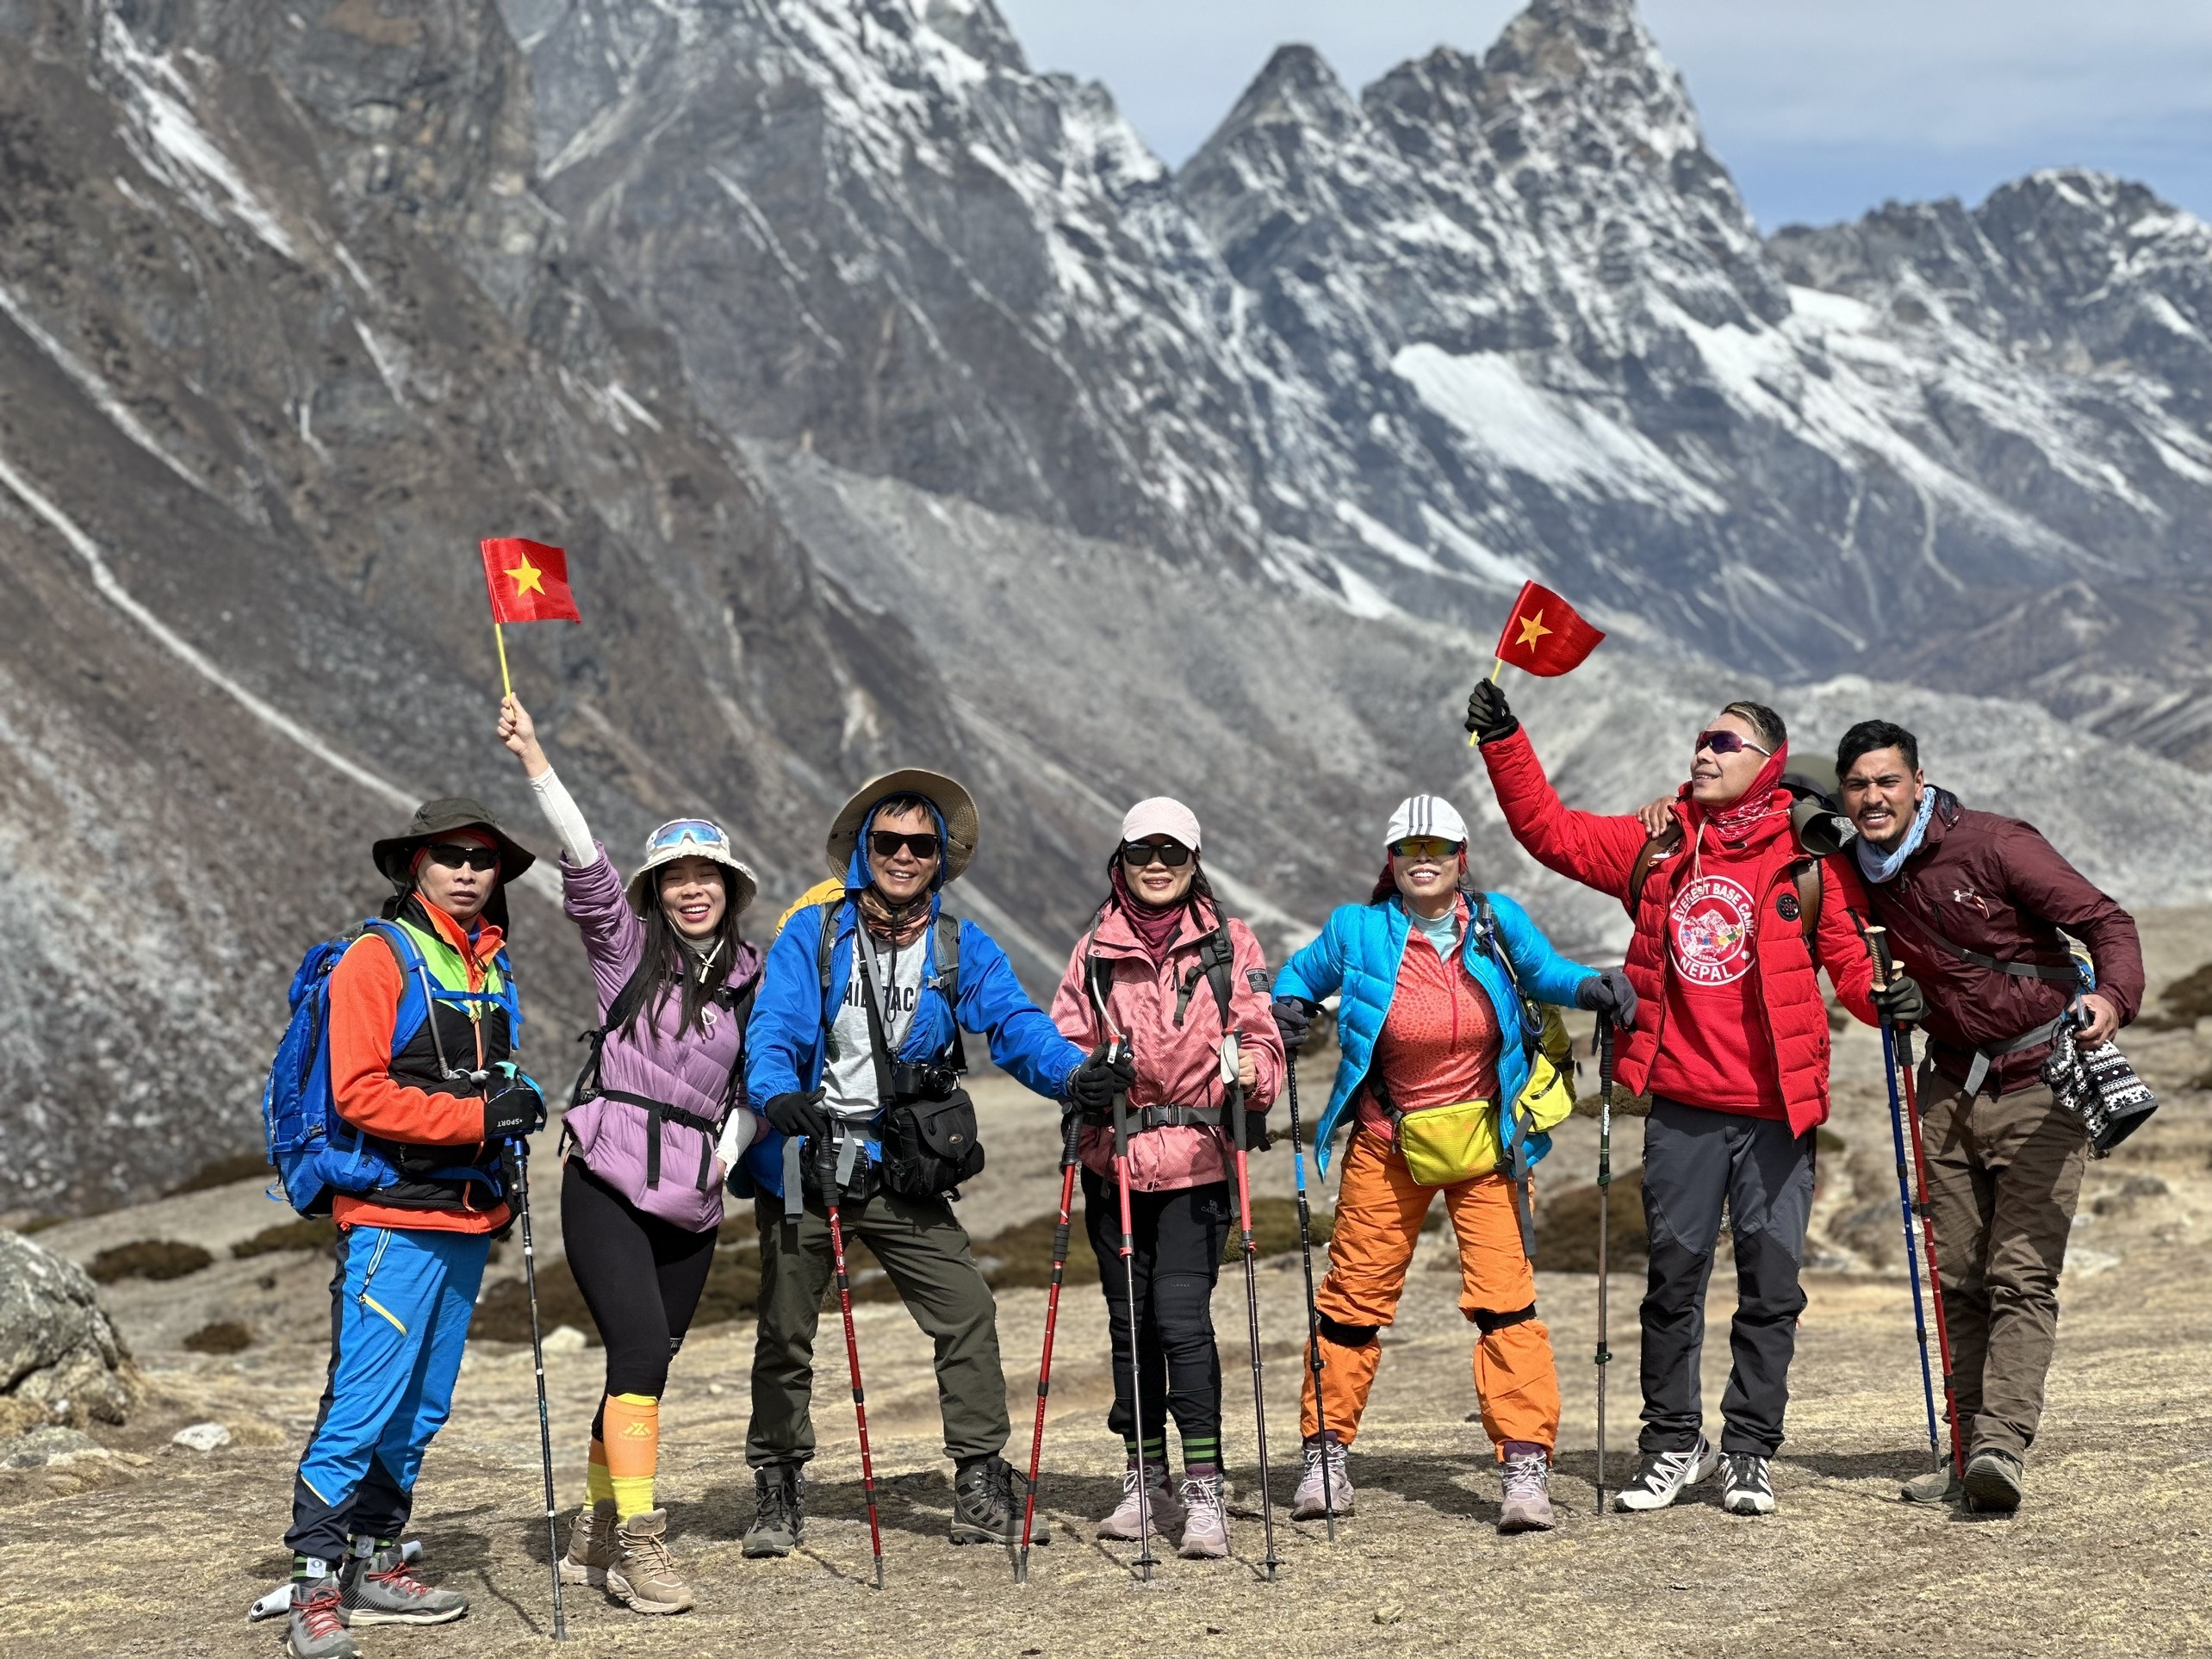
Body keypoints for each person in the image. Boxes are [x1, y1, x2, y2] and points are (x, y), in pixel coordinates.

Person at [1466, 682, 1877, 1517]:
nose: (1703, 751)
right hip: (1684, 1109)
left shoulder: (1808, 860)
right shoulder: (1658, 844)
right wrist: (1504, 739)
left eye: (1724, 743)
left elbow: (1855, 974)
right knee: (1672, 1284)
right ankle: (1672, 1444)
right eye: (1700, 739)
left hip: (1776, 1115)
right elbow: (1549, 831)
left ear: (1767, 763)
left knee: (1772, 1289)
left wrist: (1898, 1001)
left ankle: (1749, 1451)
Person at [738, 768, 1100, 1555]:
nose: (905, 856)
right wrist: (776, 1095)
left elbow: (1015, 1025)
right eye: (889, 841)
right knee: (786, 1328)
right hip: (806, 1157)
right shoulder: (812, 935)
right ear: (863, 851)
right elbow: (775, 1027)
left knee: (965, 1310)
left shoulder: (958, 946)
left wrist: (1074, 1075)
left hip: (901, 1166)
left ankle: (978, 1480)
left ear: (941, 858)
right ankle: (777, 1482)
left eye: (922, 845)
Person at [1268, 796, 1624, 1534]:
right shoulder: (1356, 929)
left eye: (1437, 847)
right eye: (1409, 848)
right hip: (1387, 1141)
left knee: (1506, 1304)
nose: (1423, 859)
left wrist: (1591, 987)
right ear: (1391, 861)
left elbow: (1544, 973)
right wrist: (1289, 1007)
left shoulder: (1496, 922)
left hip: (1488, 1145)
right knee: (1352, 1303)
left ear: (1462, 857)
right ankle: (1325, 1456)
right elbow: (1295, 977)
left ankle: (1524, 1465)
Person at [1835, 719, 2145, 1513]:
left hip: (2043, 1080)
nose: (1873, 798)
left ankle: (2000, 1447)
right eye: (1858, 785)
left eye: (1888, 781)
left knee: (2021, 1275)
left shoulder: (1997, 844)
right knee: (1958, 1281)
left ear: (1919, 781)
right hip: (1946, 1086)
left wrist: (2112, 999)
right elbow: (1782, 807)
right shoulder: (1850, 868)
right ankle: (1966, 1450)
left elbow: (2108, 922)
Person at [497, 695, 766, 1613]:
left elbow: (761, 1084)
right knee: (644, 1352)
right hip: (606, 1175)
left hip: (693, 1197)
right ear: (657, 892)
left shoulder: (754, 979)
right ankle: (639, 1549)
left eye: (707, 876)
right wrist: (535, 758)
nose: (692, 890)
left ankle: (593, 1530)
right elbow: (585, 862)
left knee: (640, 1368)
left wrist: (726, 1158)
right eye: (675, 877)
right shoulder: (625, 950)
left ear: (730, 889)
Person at [283, 799, 547, 1659]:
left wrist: (519, 1098)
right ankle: (315, 1587)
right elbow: (358, 1092)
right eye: (450, 856)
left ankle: (375, 1556)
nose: (469, 871)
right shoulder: (379, 957)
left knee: (423, 1404)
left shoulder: (487, 964)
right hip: (392, 1215)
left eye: (484, 859)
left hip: (465, 1212)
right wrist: (479, 1118)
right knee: (364, 1401)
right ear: (415, 866)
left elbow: (486, 1071)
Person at [1047, 798, 1284, 1559]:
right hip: (1112, 1165)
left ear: (1193, 862)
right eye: (1142, 852)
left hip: (1198, 1165)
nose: (1157, 865)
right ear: (1119, 862)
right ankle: (1146, 1478)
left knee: (1181, 1321)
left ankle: (1204, 1486)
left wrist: (1255, 1073)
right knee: (1131, 1328)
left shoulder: (1228, 944)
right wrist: (1084, 1078)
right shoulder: (1092, 951)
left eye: (1172, 853)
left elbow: (1262, 1037)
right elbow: (1064, 1042)